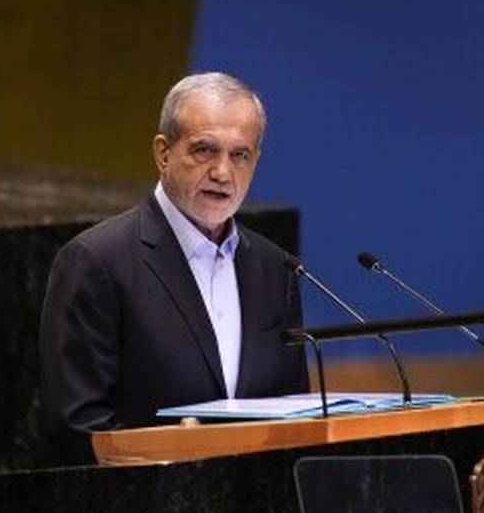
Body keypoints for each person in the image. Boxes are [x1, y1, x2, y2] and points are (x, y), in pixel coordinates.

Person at [40, 72, 308, 461]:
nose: (222, 173)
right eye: (204, 150)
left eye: (240, 155)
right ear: (163, 153)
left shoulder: (274, 267)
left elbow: (295, 415)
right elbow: (78, 425)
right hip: (145, 496)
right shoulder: (96, 261)